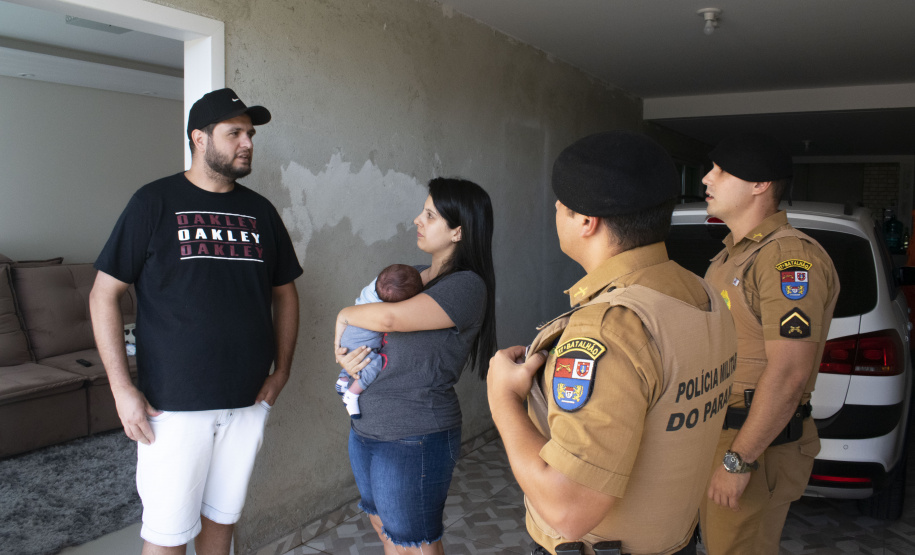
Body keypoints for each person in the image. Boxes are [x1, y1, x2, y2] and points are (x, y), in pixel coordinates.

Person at [487, 131, 738, 555]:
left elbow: (568, 510)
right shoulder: (704, 294)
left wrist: (503, 400)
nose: (555, 210)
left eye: (561, 204)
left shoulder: (609, 330)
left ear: (587, 221)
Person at [89, 88, 302, 555]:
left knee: (221, 524)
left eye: (250, 134)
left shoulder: (260, 211)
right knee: (167, 537)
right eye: (234, 133)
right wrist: (122, 389)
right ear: (199, 139)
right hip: (172, 406)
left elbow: (285, 292)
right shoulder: (153, 202)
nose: (247, 143)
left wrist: (282, 371)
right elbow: (104, 294)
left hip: (247, 402)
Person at [333, 177, 497, 555]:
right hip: (367, 428)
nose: (417, 220)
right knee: (384, 528)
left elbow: (388, 319)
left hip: (414, 436)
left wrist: (343, 315)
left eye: (430, 215)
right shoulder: (414, 276)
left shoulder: (466, 286)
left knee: (416, 543)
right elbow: (369, 326)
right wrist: (346, 354)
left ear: (458, 231)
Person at [698, 133, 839, 554]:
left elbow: (790, 372)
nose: (706, 178)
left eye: (721, 171)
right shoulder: (730, 256)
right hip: (718, 434)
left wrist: (738, 460)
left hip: (752, 442)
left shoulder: (786, 257)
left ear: (760, 184)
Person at [334, 263, 424, 418]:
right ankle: (352, 394)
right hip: (359, 339)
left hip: (349, 333)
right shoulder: (384, 309)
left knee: (354, 357)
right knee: (373, 363)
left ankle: (342, 380)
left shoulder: (376, 286)